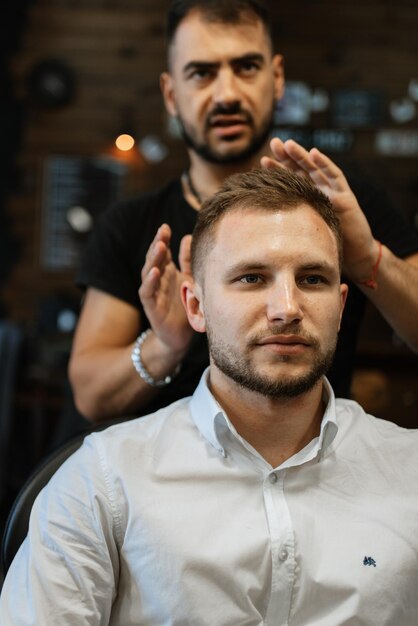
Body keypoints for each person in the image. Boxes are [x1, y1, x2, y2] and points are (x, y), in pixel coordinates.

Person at [2, 167, 418, 625]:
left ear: (341, 307)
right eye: (252, 278)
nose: (286, 309)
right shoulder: (102, 483)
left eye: (312, 279)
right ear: (195, 306)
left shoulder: (408, 473)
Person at [69, 0, 418, 423]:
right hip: (163, 479)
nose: (227, 94)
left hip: (313, 471)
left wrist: (366, 259)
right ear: (171, 94)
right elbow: (90, 395)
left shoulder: (345, 204)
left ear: (276, 78)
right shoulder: (132, 226)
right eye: (202, 73)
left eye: (247, 67)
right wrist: (166, 345)